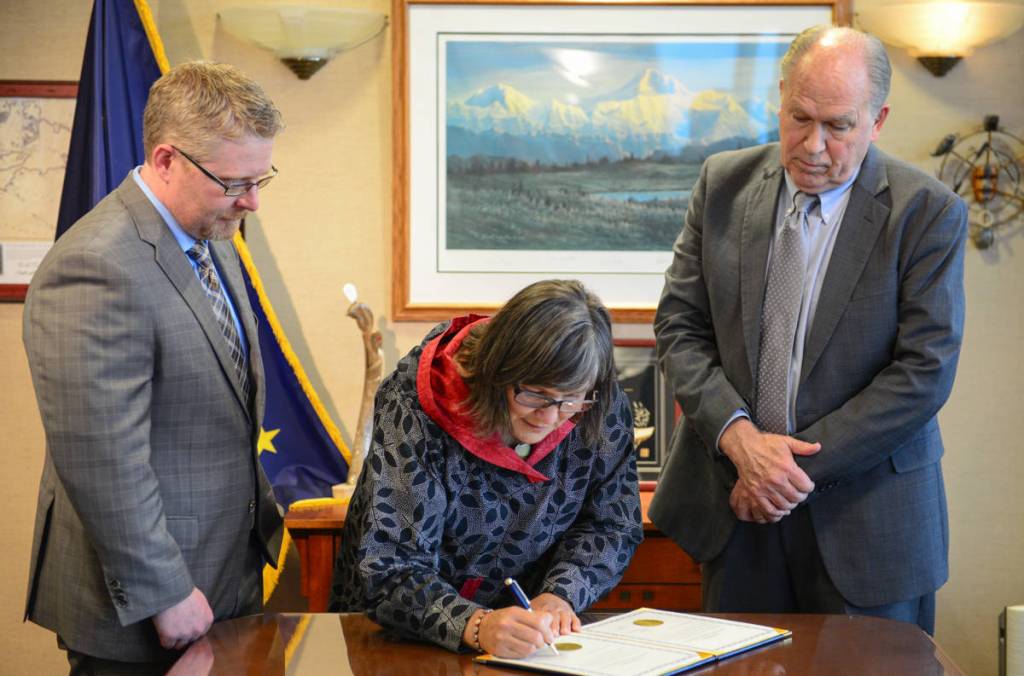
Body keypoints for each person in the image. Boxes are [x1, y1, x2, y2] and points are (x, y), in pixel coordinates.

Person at [650, 26, 966, 635]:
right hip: (736, 509)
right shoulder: (722, 184)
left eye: (838, 126)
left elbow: (924, 373)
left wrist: (783, 473)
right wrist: (741, 441)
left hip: (867, 520)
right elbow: (679, 325)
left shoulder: (926, 213)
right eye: (799, 118)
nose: (813, 146)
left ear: (877, 121)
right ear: (780, 97)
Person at [23, 61, 285, 672]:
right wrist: (164, 591)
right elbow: (101, 455)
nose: (251, 202)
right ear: (167, 160)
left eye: (260, 179)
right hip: (147, 603)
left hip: (226, 575)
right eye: (234, 182)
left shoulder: (211, 231)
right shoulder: (96, 265)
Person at [330, 279, 642, 657]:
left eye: (569, 399)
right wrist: (475, 624)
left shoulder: (597, 404)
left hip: (529, 637)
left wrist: (560, 595)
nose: (549, 417)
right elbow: (391, 564)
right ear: (499, 370)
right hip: (401, 635)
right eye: (535, 394)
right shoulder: (418, 398)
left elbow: (611, 525)